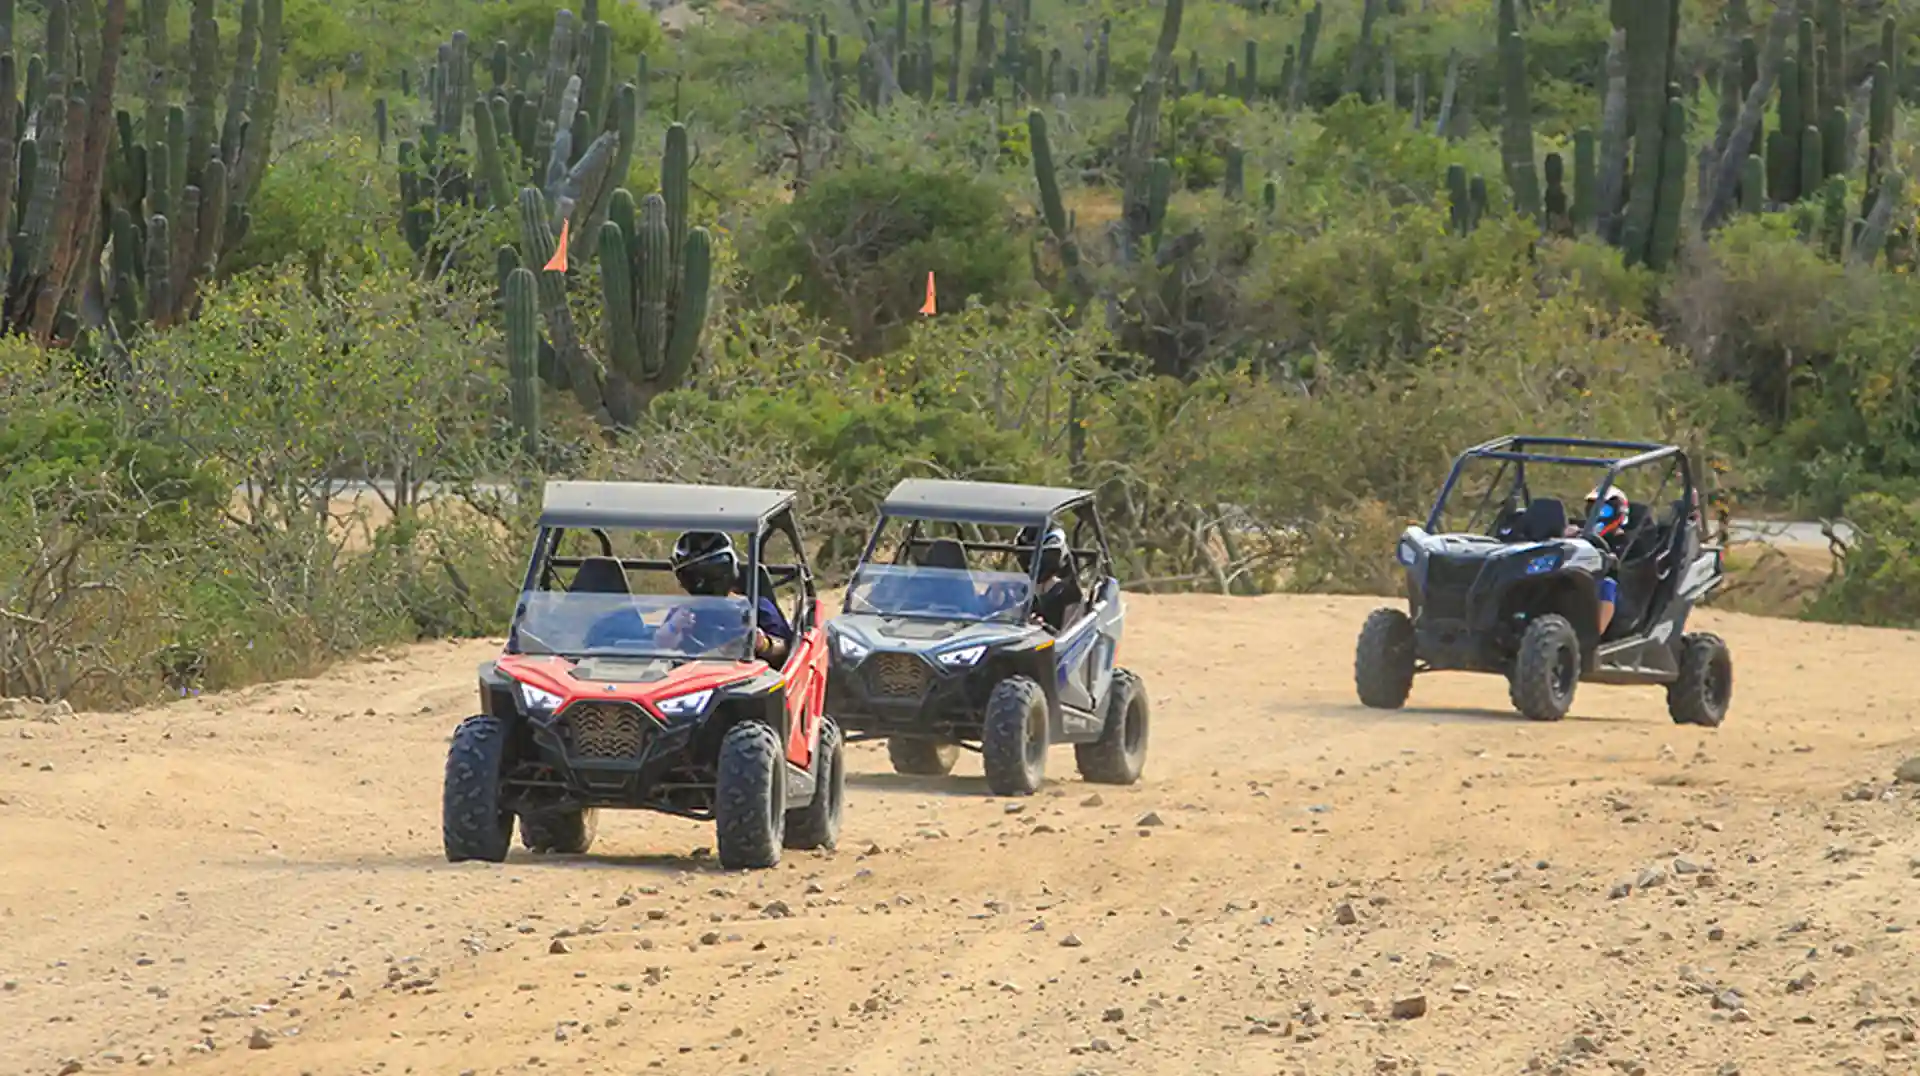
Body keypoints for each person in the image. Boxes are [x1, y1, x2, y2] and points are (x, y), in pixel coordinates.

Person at [655, 531, 794, 664]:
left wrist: (763, 643)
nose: (701, 582)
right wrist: (674, 627)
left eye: (710, 573)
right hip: (693, 674)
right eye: (691, 576)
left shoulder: (757, 607)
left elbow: (786, 650)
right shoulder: (685, 612)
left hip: (747, 675)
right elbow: (659, 644)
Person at [1580, 486, 1630, 635]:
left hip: (1621, 592)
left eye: (1603, 511)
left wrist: (1611, 559)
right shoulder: (1584, 535)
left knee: (1607, 585)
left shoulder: (1624, 541)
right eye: (1592, 510)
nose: (1596, 515)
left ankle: (1595, 634)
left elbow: (1626, 568)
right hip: (1586, 582)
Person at [1015, 525, 1081, 632]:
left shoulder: (1068, 594)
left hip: (1047, 641)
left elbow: (1072, 634)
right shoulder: (1020, 592)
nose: (1031, 564)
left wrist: (1043, 628)